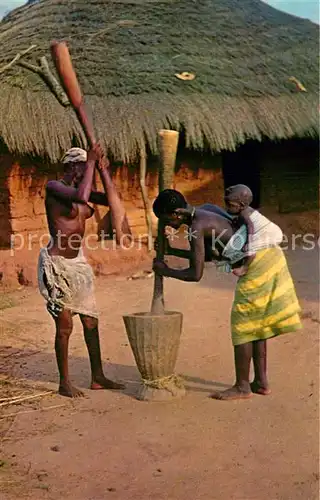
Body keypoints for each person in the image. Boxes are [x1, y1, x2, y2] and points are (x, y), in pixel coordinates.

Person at [152, 188, 302, 401]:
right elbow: (211, 256)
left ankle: (242, 386)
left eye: (167, 219)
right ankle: (260, 382)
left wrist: (165, 270)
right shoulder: (206, 211)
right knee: (256, 325)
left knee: (242, 325)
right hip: (270, 258)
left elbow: (195, 274)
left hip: (258, 264)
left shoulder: (196, 227)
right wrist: (171, 251)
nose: (168, 225)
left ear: (177, 212)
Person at [38, 145, 124, 398]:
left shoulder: (84, 191)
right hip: (58, 266)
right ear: (70, 166)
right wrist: (91, 163)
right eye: (81, 165)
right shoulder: (55, 188)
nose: (84, 170)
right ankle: (64, 382)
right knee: (64, 327)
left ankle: (97, 376)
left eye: (85, 165)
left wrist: (103, 170)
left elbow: (110, 199)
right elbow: (79, 196)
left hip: (77, 264)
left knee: (90, 321)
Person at [224, 184, 284, 276]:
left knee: (250, 249)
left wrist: (249, 242)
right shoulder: (244, 211)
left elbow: (250, 226)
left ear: (241, 206)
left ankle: (244, 268)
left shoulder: (244, 213)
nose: (228, 208)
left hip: (271, 233)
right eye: (227, 204)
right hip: (268, 230)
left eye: (231, 205)